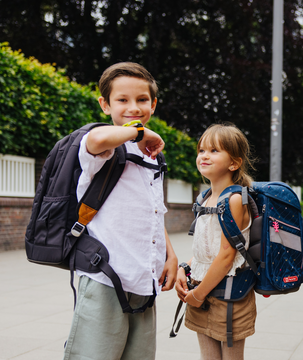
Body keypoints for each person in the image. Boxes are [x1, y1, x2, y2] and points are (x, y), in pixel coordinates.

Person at [63, 62, 178, 360]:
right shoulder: (102, 145)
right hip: (106, 276)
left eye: (141, 100)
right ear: (105, 104)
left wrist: (170, 253)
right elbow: (99, 139)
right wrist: (140, 133)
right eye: (122, 100)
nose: (133, 107)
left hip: (144, 277)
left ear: (153, 103)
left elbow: (153, 211)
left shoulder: (152, 154)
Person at [175, 123, 257, 360]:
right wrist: (186, 267)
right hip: (201, 287)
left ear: (234, 163)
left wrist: (199, 294)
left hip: (230, 293)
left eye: (214, 151)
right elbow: (206, 248)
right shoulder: (205, 197)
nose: (204, 156)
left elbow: (226, 256)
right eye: (201, 150)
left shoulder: (233, 200)